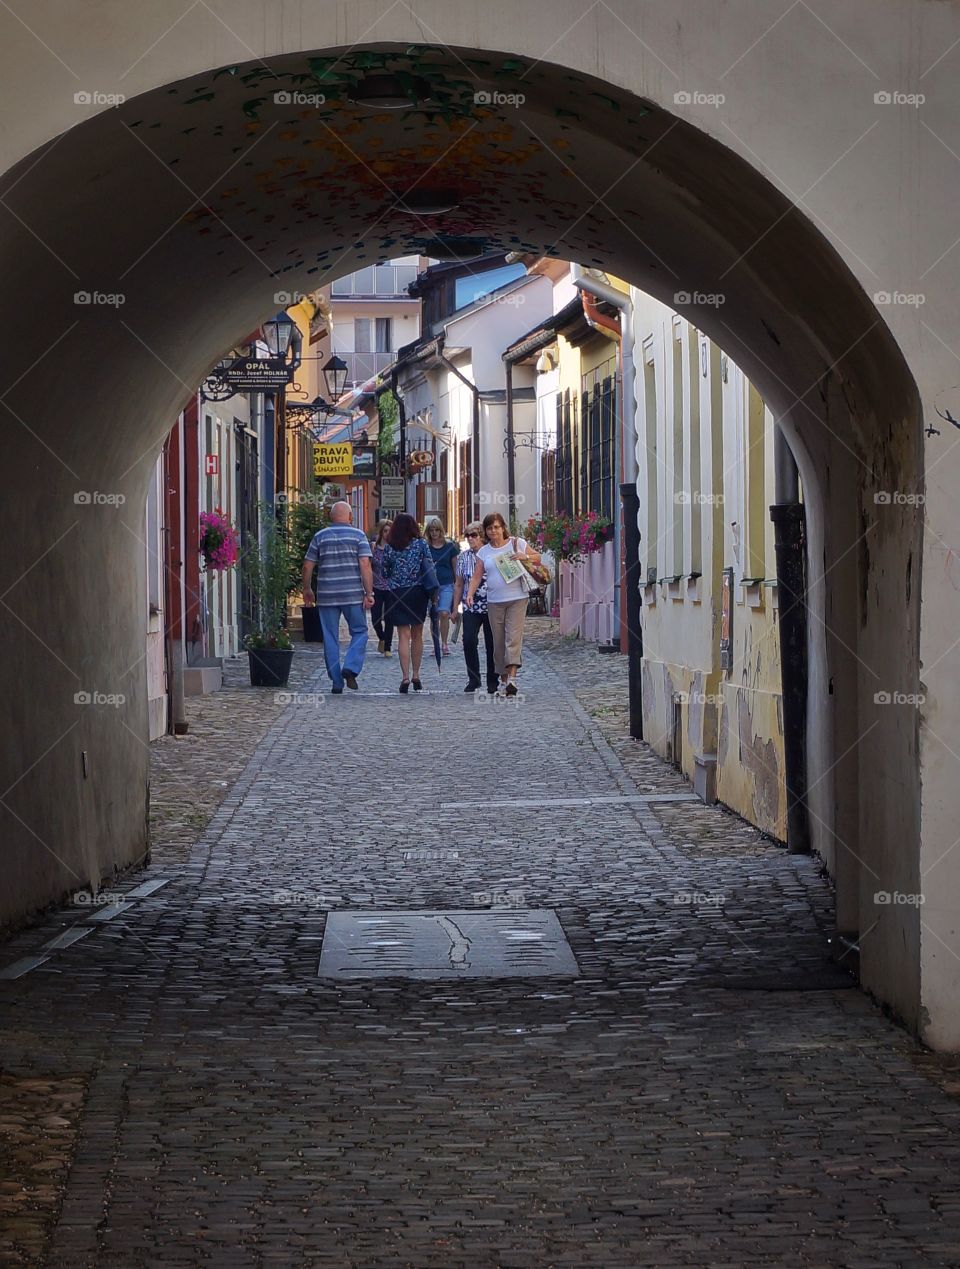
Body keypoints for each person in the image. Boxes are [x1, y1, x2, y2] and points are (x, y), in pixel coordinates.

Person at [465, 511, 542, 696]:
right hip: (494, 601)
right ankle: (504, 680)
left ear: (503, 528)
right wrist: (470, 594)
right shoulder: (484, 552)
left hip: (517, 598)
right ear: (486, 531)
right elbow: (477, 575)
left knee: (512, 638)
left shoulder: (517, 543)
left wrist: (525, 557)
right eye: (490, 528)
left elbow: (537, 557)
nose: (493, 531)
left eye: (497, 527)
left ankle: (513, 679)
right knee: (498, 642)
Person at [301, 501, 374, 694]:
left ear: (330, 517)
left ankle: (336, 682)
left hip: (327, 595)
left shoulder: (320, 536)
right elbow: (365, 565)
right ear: (350, 517)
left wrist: (307, 588)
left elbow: (308, 565)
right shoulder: (358, 536)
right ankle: (350, 666)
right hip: (352, 594)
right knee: (360, 631)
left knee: (330, 637)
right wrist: (369, 593)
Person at [381, 513, 438, 693]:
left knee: (403, 636)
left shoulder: (390, 547)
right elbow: (430, 564)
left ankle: (404, 677)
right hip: (417, 591)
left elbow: (384, 571)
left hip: (397, 592)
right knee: (417, 635)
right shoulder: (420, 544)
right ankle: (416, 675)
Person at [451, 521, 498, 694]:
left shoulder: (490, 554)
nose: (470, 539)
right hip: (471, 606)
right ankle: (474, 678)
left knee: (492, 644)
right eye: (467, 535)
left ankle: (493, 681)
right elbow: (458, 584)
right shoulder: (463, 557)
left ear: (482, 536)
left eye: (474, 535)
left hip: (492, 605)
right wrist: (455, 608)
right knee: (469, 640)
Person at [424, 518, 460, 654]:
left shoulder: (450, 547)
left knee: (444, 613)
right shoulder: (426, 547)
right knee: (434, 615)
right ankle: (436, 644)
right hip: (431, 587)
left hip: (447, 584)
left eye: (437, 530)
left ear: (441, 531)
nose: (434, 533)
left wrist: (457, 584)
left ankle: (444, 643)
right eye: (431, 530)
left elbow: (455, 567)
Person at [370, 518, 395, 657]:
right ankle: (382, 637)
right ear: (381, 532)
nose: (387, 534)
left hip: (391, 587)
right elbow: (368, 565)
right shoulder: (374, 547)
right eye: (385, 531)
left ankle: (388, 647)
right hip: (376, 586)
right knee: (375, 618)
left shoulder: (395, 548)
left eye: (390, 532)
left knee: (389, 617)